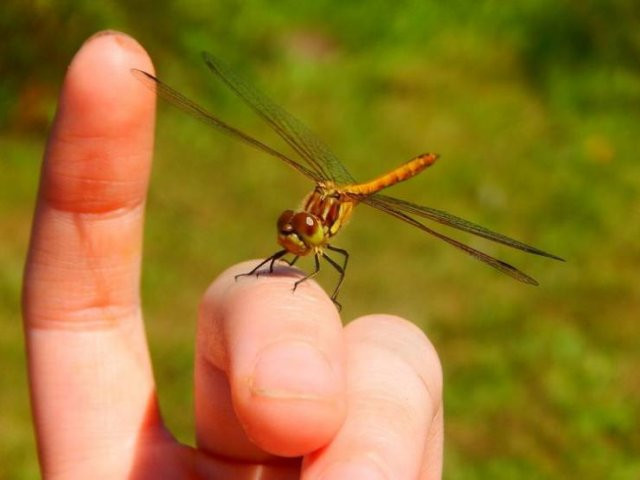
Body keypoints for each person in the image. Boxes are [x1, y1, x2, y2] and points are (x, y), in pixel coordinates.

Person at [22, 31, 443, 479]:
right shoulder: (303, 224)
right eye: (292, 228)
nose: (293, 237)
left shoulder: (328, 236)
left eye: (302, 232)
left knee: (332, 272)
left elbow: (326, 261)